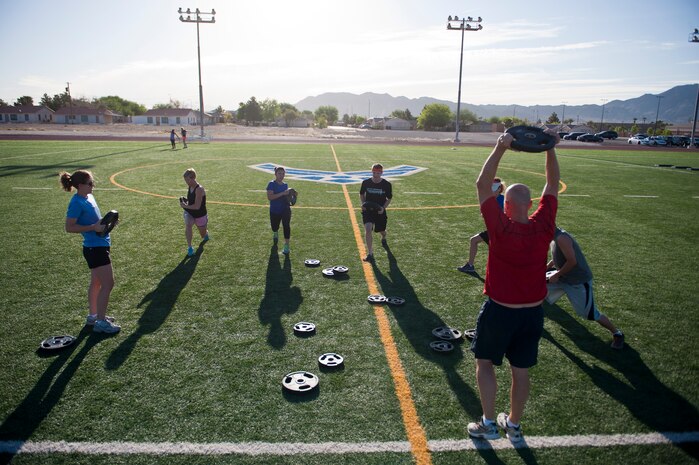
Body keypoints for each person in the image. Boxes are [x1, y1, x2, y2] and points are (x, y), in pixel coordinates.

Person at [467, 130, 560, 443]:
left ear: (505, 203)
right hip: (532, 315)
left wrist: (499, 147)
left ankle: (489, 424)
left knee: (484, 363)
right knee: (521, 370)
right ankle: (514, 426)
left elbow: (482, 185)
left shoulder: (500, 226)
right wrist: (550, 148)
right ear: (531, 204)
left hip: (500, 312)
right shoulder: (544, 224)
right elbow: (552, 185)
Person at [60, 170, 121, 334]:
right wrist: (93, 227)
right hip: (95, 248)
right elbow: (69, 227)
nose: (92, 185)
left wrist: (108, 224)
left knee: (96, 283)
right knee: (108, 284)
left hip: (99, 245)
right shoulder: (76, 203)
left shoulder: (89, 197)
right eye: (90, 183)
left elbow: (96, 222)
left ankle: (94, 316)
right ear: (80, 186)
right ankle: (101, 322)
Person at [545, 226, 625, 349]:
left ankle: (617, 333)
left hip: (577, 282)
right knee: (534, 289)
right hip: (563, 277)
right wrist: (548, 266)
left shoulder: (562, 238)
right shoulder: (553, 237)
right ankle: (528, 322)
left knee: (590, 314)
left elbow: (572, 261)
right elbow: (558, 256)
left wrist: (557, 274)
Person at [458, 177, 506, 273]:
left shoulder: (503, 200)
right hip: (492, 231)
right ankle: (470, 265)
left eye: (494, 189)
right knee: (474, 240)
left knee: (502, 255)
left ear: (499, 189)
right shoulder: (490, 200)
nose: (491, 191)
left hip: (500, 232)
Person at [360, 163, 392, 262]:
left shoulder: (386, 184)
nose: (376, 174)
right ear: (372, 171)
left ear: (381, 173)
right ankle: (370, 254)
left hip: (379, 211)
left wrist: (383, 208)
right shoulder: (366, 182)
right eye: (374, 172)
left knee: (381, 230)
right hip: (368, 210)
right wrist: (363, 204)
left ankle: (384, 236)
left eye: (378, 173)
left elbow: (389, 198)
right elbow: (361, 194)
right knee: (368, 229)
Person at [180, 168, 209, 257]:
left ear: (193, 178)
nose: (186, 182)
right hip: (190, 213)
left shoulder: (199, 189)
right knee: (188, 224)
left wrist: (184, 206)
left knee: (203, 235)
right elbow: (191, 202)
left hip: (200, 214)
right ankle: (190, 248)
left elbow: (197, 206)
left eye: (187, 180)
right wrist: (186, 202)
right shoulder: (190, 186)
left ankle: (206, 233)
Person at [266, 166, 293, 255]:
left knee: (286, 226)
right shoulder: (271, 184)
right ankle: (275, 232)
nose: (281, 175)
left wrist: (292, 196)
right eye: (279, 173)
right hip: (275, 210)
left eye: (283, 173)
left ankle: (286, 245)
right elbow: (270, 197)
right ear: (275, 174)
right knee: (274, 227)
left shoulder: (286, 185)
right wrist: (283, 193)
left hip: (285, 209)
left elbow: (287, 198)